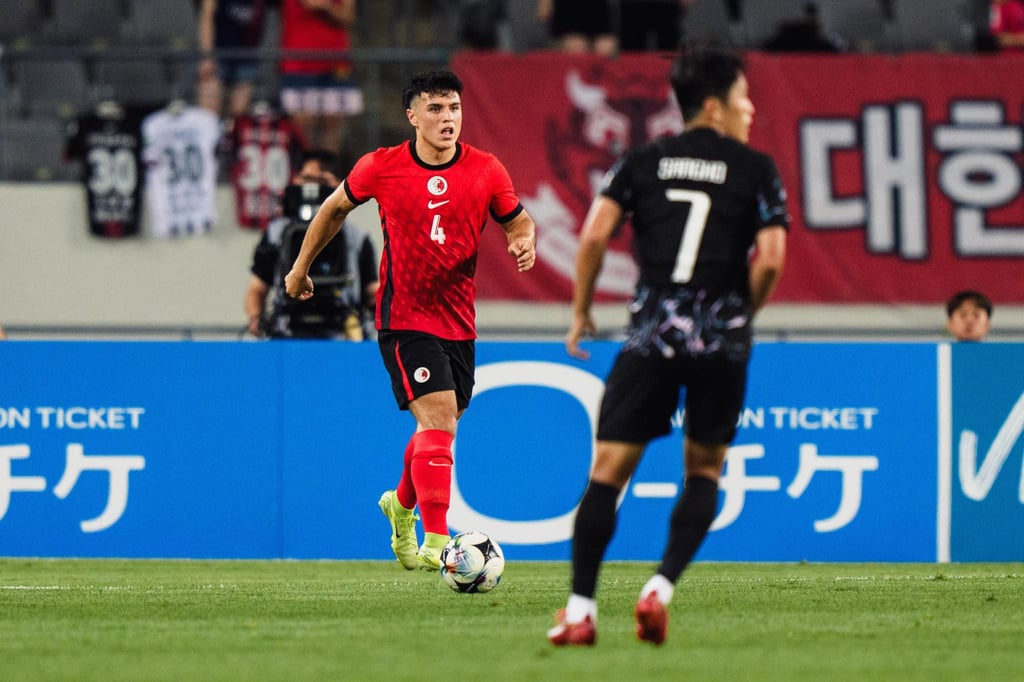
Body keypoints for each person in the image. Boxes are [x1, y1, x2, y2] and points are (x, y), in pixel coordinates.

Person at [547, 45, 789, 646]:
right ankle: (659, 588)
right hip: (720, 341)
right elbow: (771, 260)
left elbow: (594, 236)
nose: (750, 109)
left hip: (652, 334)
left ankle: (580, 611)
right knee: (704, 469)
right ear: (714, 105)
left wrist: (580, 312)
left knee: (608, 472)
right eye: (743, 98)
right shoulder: (756, 168)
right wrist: (738, 315)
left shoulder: (642, 161)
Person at [283, 69, 537, 570]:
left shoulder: (486, 170)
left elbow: (518, 220)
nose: (448, 118)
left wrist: (523, 240)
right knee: (438, 418)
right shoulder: (381, 166)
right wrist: (299, 268)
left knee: (438, 427)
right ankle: (440, 542)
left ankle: (401, 506)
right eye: (436, 109)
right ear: (413, 116)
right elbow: (333, 210)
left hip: (458, 321)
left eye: (454, 108)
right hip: (404, 317)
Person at [245, 149, 379, 339]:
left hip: (342, 335)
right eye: (307, 179)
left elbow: (372, 291)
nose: (313, 187)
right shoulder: (277, 234)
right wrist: (256, 318)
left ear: (340, 183)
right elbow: (257, 288)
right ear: (296, 180)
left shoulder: (357, 238)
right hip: (287, 332)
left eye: (322, 181)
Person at [279, 0, 363, 156]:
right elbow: (310, 4)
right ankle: (305, 169)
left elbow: (348, 16)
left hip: (336, 64)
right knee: (303, 127)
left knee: (333, 126)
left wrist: (326, 6)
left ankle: (327, 169)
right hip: (299, 64)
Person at [197, 0, 267, 120]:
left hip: (246, 56)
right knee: (208, 115)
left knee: (240, 115)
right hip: (218, 54)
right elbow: (206, 18)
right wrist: (207, 57)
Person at [536, 0, 618, 55]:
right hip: (567, 28)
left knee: (605, 47)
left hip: (598, 24)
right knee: (577, 47)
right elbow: (544, 14)